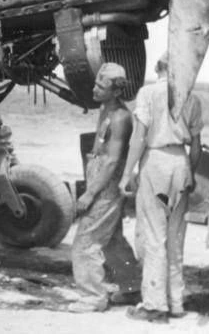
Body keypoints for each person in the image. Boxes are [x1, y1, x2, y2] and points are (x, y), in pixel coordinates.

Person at [118, 52, 203, 323]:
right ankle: (176, 302)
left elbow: (139, 137)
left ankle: (155, 305)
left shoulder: (148, 93)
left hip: (156, 162)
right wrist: (190, 172)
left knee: (154, 235)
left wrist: (127, 173)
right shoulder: (192, 97)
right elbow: (198, 146)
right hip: (180, 161)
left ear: (158, 68)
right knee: (176, 237)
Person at [69, 63, 140, 313]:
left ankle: (93, 296)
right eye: (96, 84)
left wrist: (90, 193)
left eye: (101, 86)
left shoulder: (120, 117)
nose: (95, 89)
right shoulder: (105, 108)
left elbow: (112, 160)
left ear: (116, 91)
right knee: (111, 238)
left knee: (86, 241)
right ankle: (132, 288)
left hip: (106, 184)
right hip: (100, 177)